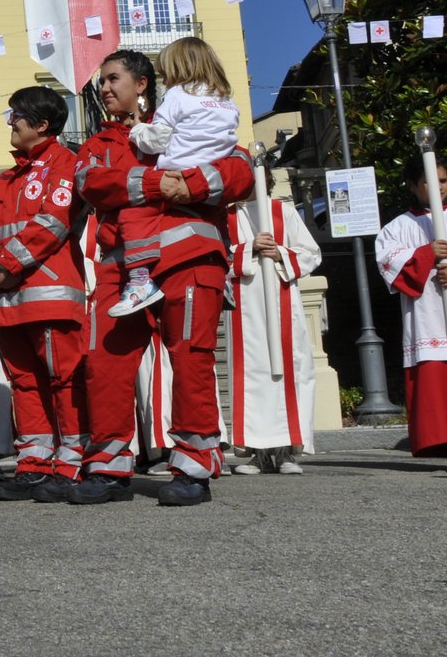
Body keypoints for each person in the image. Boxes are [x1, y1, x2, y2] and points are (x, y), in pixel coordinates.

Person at [72, 48, 253, 506]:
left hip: (189, 254)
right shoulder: (100, 141)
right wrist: (156, 184)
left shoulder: (196, 112)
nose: (105, 89)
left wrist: (193, 185)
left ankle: (194, 468)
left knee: (190, 358)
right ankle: (109, 469)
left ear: (142, 83)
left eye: (113, 79)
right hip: (120, 264)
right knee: (105, 365)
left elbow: (242, 170)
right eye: (101, 83)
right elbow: (91, 183)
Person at [0, 86, 89, 502]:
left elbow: (53, 222)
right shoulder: (7, 178)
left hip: (50, 295)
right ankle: (35, 462)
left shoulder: (66, 163)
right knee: (24, 381)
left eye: (17, 116)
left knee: (64, 379)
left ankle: (71, 461)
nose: (11, 122)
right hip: (9, 300)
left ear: (42, 125)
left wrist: (2, 266)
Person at [376, 154, 447, 472]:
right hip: (430, 318)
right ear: (413, 186)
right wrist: (427, 254)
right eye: (429, 181)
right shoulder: (397, 227)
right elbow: (391, 267)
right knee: (446, 387)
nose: (438, 187)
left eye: (442, 180)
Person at [110, 36, 240, 316]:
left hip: (176, 171)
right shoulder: (227, 102)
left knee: (132, 216)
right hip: (210, 174)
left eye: (166, 73)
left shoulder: (178, 95)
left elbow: (157, 139)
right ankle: (226, 275)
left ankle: (140, 281)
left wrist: (136, 130)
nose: (165, 80)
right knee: (220, 224)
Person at [225, 167, 322, 476]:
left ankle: (287, 452)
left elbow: (310, 253)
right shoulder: (227, 216)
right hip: (244, 307)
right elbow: (219, 258)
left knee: (289, 372)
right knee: (251, 374)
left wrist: (279, 253)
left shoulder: (283, 211)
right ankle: (256, 453)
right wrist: (248, 249)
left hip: (282, 302)